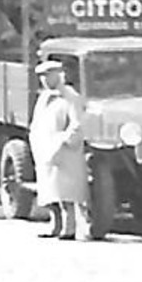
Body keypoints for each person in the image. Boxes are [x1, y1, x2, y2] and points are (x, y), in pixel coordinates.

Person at [29, 60, 90, 240]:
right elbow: (38, 123)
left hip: (64, 153)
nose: (46, 80)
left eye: (49, 76)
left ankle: (69, 227)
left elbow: (77, 125)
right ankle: (55, 225)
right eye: (42, 77)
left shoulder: (70, 97)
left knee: (66, 192)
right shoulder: (43, 99)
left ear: (59, 75)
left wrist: (63, 142)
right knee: (50, 191)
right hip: (45, 151)